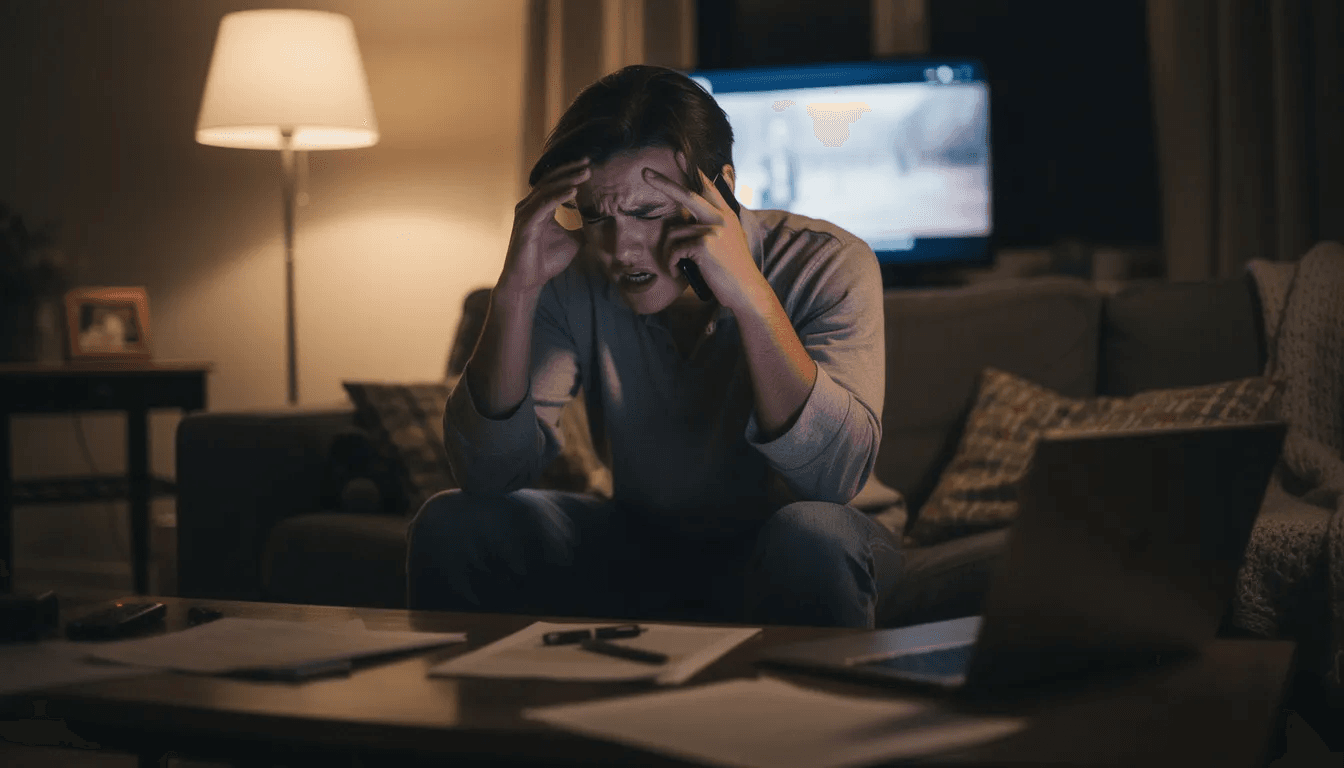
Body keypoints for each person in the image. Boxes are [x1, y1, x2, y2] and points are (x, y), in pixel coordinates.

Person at [407, 65, 901, 629]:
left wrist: (752, 300)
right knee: (451, 523)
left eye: (648, 212)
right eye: (596, 215)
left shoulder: (829, 262)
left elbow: (832, 481)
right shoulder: (575, 276)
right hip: (648, 543)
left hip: (816, 536)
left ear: (721, 187)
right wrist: (515, 293)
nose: (622, 248)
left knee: (809, 535)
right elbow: (487, 475)